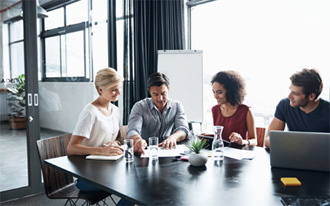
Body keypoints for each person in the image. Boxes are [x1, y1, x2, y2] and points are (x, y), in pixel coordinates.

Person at [264, 68, 330, 148]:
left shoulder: (327, 110)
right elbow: (267, 139)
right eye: (290, 91)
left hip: (322, 159)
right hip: (293, 155)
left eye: (295, 94)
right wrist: (288, 146)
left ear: (311, 96)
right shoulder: (285, 105)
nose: (289, 96)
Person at [127, 72, 189, 154]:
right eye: (155, 94)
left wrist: (173, 138)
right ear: (149, 92)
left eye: (163, 93)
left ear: (168, 89)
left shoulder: (177, 105)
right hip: (145, 151)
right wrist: (138, 140)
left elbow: (183, 129)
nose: (160, 98)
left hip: (167, 150)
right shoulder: (140, 106)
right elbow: (132, 131)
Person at [211, 71, 257, 146]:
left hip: (239, 154)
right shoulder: (214, 110)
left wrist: (242, 141)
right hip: (222, 153)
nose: (215, 96)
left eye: (219, 92)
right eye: (214, 92)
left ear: (230, 91)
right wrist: (208, 136)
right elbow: (221, 138)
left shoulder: (246, 111)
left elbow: (254, 141)